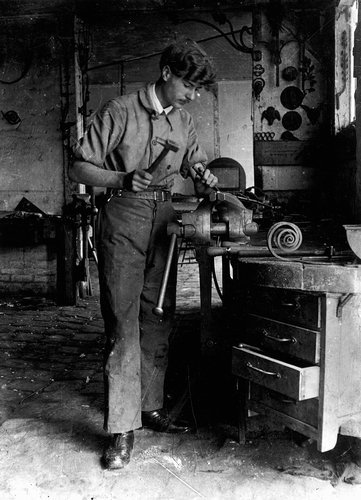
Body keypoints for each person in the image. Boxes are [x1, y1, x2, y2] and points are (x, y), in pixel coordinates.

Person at [69, 38, 218, 470]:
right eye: (188, 85)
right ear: (167, 73)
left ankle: (150, 406)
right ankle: (120, 429)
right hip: (124, 217)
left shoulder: (184, 120)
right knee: (124, 319)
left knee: (158, 315)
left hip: (166, 219)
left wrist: (203, 174)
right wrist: (120, 178)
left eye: (198, 89)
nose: (193, 94)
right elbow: (78, 166)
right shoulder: (119, 111)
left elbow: (195, 162)